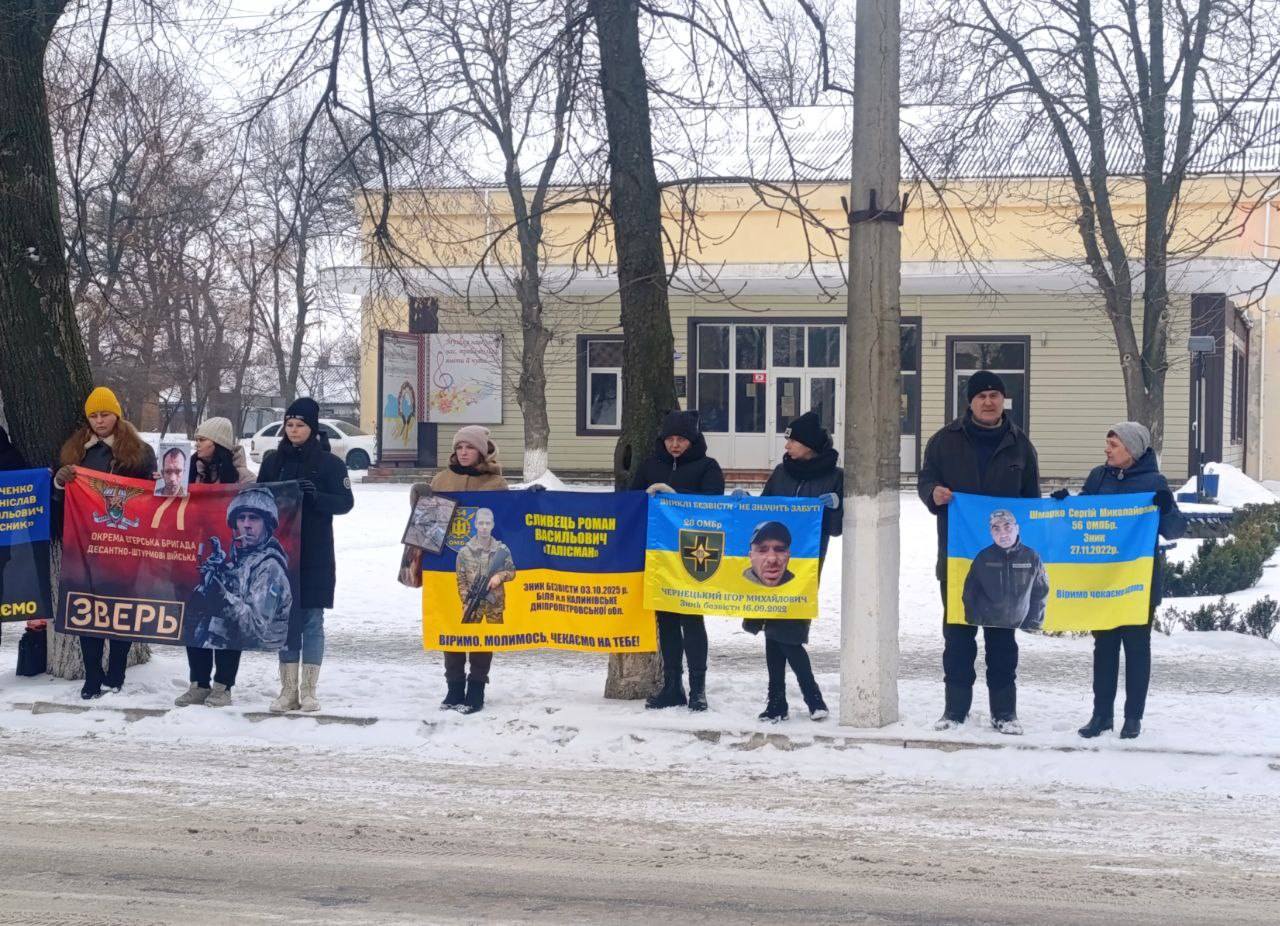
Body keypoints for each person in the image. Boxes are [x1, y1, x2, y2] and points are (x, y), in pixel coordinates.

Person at [917, 371, 1041, 735]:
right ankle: (955, 710)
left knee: (1002, 638)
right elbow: (926, 479)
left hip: (1008, 564)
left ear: (1004, 400)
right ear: (969, 402)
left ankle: (1004, 711)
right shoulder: (944, 441)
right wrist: (932, 494)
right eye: (982, 395)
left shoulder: (1021, 446)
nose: (989, 401)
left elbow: (1031, 506)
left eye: (995, 395)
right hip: (959, 562)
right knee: (958, 636)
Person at [1055, 422, 1187, 741]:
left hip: (1138, 583)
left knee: (1137, 649)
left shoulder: (1154, 482)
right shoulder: (1098, 477)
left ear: (1132, 449)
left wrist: (1166, 508)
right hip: (1103, 581)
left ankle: (1133, 718)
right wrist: (1064, 505)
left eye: (1113, 445)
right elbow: (1082, 517)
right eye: (1107, 444)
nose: (1107, 450)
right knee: (1105, 648)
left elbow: (1175, 530)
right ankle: (1101, 715)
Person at [53, 387, 157, 699]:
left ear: (117, 415)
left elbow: (152, 496)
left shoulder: (139, 451)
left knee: (122, 610)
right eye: (94, 416)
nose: (99, 421)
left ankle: (117, 672)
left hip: (126, 545)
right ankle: (92, 675)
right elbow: (60, 501)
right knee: (87, 611)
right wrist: (60, 482)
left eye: (105, 414)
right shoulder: (76, 451)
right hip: (85, 545)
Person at [257, 398, 354, 713]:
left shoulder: (330, 464)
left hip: (316, 551)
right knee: (285, 618)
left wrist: (318, 495)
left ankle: (309, 690)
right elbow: (259, 498)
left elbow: (345, 502)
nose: (294, 430)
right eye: (290, 425)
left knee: (312, 617)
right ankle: (287, 690)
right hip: (280, 552)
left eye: (300, 425)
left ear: (312, 428)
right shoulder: (273, 461)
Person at [746, 411, 842, 722]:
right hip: (769, 563)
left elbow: (837, 528)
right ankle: (779, 702)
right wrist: (743, 503)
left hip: (804, 565)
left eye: (793, 440)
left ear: (810, 445)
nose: (787, 445)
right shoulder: (781, 473)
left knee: (787, 631)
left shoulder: (835, 477)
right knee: (774, 630)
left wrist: (837, 506)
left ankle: (810, 698)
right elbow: (762, 511)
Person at [630, 410, 725, 712]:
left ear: (692, 440)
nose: (674, 445)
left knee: (692, 621)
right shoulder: (649, 466)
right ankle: (673, 686)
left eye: (681, 439)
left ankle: (698, 688)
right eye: (670, 439)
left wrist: (676, 496)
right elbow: (629, 503)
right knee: (667, 622)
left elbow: (714, 505)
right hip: (658, 557)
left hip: (693, 556)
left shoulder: (707, 467)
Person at [412, 425, 508, 714]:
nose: (463, 452)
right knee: (450, 625)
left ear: (482, 450)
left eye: (469, 447)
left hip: (483, 567)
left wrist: (533, 500)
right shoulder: (442, 479)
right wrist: (418, 498)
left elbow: (507, 522)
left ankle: (476, 686)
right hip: (446, 567)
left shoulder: (496, 484)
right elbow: (424, 524)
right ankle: (454, 686)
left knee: (480, 628)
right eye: (459, 447)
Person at [175, 417, 257, 708]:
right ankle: (198, 682)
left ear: (219, 443)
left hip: (232, 560)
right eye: (196, 440)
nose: (197, 445)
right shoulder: (186, 473)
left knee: (226, 620)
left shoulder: (243, 478)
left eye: (202, 440)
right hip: (194, 556)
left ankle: (223, 684)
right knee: (194, 619)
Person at [961, 509, 1049, 631]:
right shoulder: (983, 558)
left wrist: (1032, 626)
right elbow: (970, 594)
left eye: (1007, 528)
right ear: (991, 532)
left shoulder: (1032, 557)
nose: (1003, 534)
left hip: (1022, 630)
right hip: (989, 629)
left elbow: (1040, 593)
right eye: (996, 529)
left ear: (1017, 529)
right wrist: (977, 623)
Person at [455, 507, 515, 624]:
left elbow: (512, 572)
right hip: (473, 605)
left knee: (497, 639)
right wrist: (466, 603)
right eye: (481, 523)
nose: (484, 527)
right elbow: (461, 581)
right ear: (476, 524)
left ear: (492, 525)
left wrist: (500, 576)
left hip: (494, 605)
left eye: (487, 523)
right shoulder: (464, 552)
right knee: (471, 639)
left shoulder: (501, 549)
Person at [742, 522, 795, 588]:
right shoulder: (735, 587)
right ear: (751, 557)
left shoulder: (801, 585)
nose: (772, 559)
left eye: (780, 550)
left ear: (788, 555)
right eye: (762, 551)